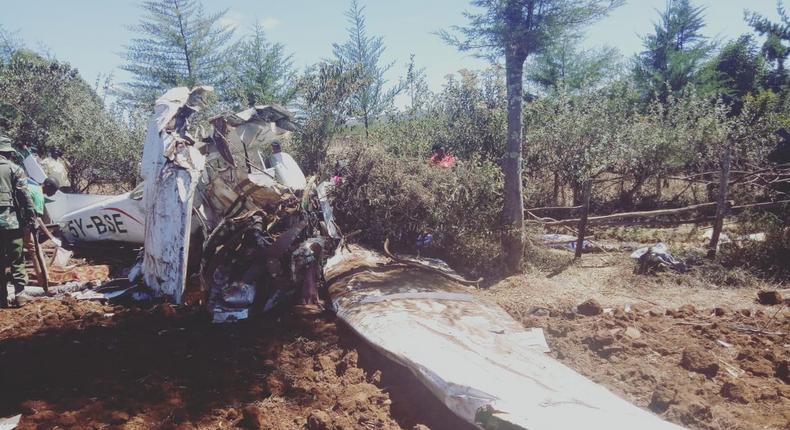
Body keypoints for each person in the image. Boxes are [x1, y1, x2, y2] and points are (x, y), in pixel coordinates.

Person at [0, 134, 36, 308]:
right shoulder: (15, 169)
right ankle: (20, 295)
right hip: (12, 223)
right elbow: (24, 196)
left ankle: (1, 298)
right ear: (8, 153)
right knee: (17, 259)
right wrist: (31, 217)